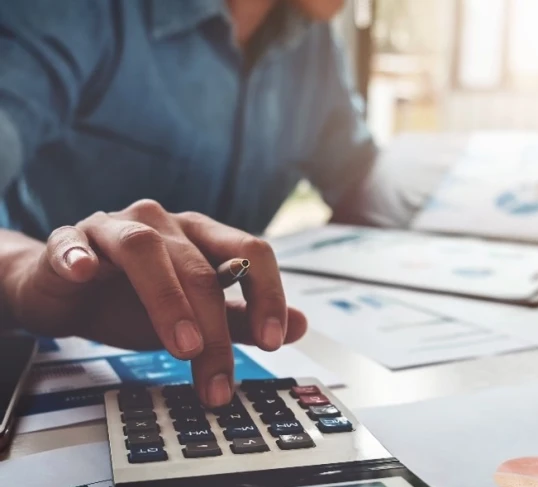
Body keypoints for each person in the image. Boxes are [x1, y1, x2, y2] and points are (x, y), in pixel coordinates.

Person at [0, 0, 418, 407]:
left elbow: (357, 180)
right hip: (44, 365)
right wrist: (19, 272)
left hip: (216, 360)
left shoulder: (313, 41)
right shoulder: (70, 12)